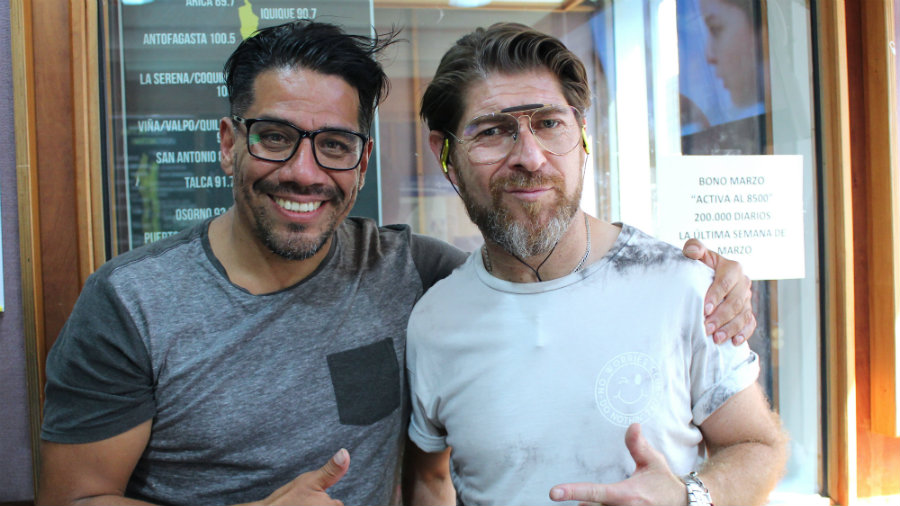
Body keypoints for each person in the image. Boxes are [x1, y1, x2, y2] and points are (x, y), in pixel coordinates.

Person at [37, 21, 754, 506]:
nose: (304, 172)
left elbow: (535, 268)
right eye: (275, 137)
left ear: (362, 162)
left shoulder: (414, 275)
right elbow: (74, 496)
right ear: (228, 142)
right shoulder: (132, 304)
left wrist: (706, 273)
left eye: (334, 145)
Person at [405, 23, 788, 506]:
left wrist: (688, 497)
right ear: (445, 155)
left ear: (582, 134)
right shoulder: (433, 321)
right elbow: (429, 478)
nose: (530, 157)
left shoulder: (682, 287)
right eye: (492, 131)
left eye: (549, 123)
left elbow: (757, 445)